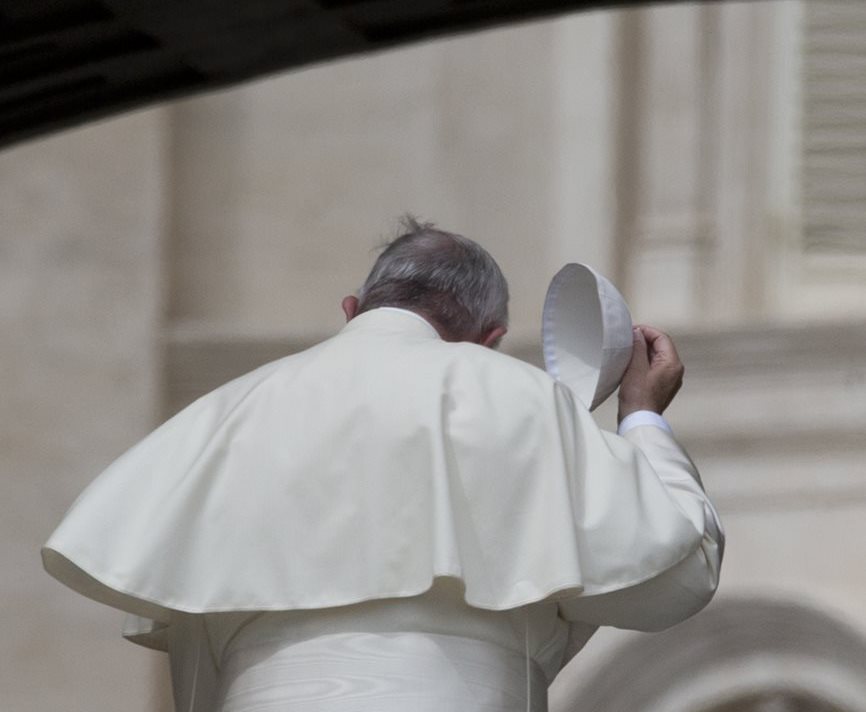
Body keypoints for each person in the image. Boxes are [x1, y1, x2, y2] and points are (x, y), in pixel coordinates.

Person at [43, 219, 723, 712]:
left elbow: (199, 660)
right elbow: (679, 572)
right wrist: (642, 415)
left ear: (351, 310)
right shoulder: (518, 400)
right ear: (489, 339)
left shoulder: (221, 418)